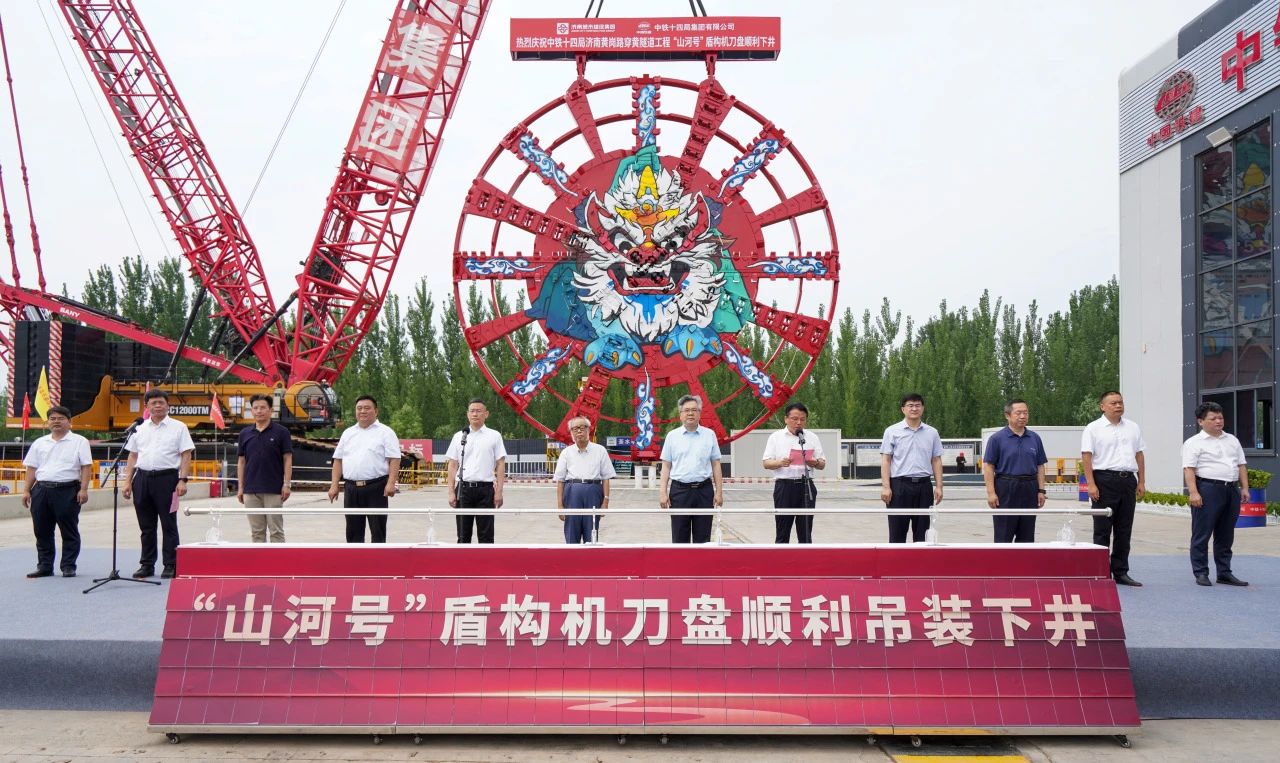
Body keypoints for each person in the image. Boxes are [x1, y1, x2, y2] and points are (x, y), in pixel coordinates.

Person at [123, 389, 195, 579]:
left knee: (168, 524)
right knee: (146, 526)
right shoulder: (139, 428)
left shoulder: (178, 427)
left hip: (167, 480)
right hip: (142, 479)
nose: (157, 406)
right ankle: (146, 564)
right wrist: (127, 481)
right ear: (146, 406)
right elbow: (133, 455)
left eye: (161, 402)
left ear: (167, 405)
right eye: (153, 403)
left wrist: (183, 480)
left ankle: (171, 564)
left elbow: (186, 454)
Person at [1081, 390, 1147, 586]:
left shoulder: (1133, 427)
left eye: (1120, 402)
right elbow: (1086, 457)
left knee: (1124, 529)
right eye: (1113, 403)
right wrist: (1091, 484)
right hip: (1104, 480)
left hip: (1127, 481)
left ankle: (1121, 572)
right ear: (1102, 406)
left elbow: (1139, 455)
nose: (1118, 405)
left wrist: (1141, 481)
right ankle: (1100, 571)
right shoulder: (1093, 428)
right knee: (1102, 529)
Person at [1181, 401, 1250, 587]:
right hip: (1208, 489)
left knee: (1226, 534)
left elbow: (1241, 465)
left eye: (1220, 417)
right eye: (1213, 418)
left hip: (1231, 489)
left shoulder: (1232, 440)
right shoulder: (1193, 443)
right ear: (1200, 421)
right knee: (1202, 533)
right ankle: (1201, 572)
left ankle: (1224, 572)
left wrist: (1244, 488)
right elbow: (1189, 469)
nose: (1218, 421)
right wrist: (1193, 492)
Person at [22, 405, 94, 578]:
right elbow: (31, 468)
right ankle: (45, 566)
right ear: (48, 422)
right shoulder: (40, 443)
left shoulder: (79, 441)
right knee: (42, 530)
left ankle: (68, 565)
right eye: (52, 419)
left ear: (69, 422)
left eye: (61, 419)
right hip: (41, 490)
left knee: (68, 529)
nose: (56, 422)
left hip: (67, 490)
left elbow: (86, 467)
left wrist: (84, 489)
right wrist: (26, 490)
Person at [327, 395, 401, 543]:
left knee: (378, 531)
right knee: (353, 533)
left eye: (367, 408)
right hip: (351, 488)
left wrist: (391, 483)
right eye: (359, 408)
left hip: (377, 488)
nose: (362, 411)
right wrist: (334, 485)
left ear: (376, 411)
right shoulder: (348, 433)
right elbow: (338, 460)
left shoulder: (386, 432)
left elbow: (395, 458)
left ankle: (377, 558)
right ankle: (356, 558)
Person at [879, 393, 943, 543]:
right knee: (897, 533)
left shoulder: (932, 433)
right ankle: (896, 558)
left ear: (923, 408)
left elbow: (936, 460)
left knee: (922, 534)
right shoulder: (892, 431)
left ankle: (920, 559)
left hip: (924, 487)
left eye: (918, 405)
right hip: (899, 487)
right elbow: (886, 460)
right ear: (903, 409)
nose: (914, 409)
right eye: (910, 405)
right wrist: (886, 487)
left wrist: (939, 486)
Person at [659, 394, 724, 543]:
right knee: (679, 537)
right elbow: (666, 466)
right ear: (680, 414)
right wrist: (662, 492)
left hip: (704, 491)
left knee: (703, 538)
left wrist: (719, 492)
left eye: (694, 410)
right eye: (686, 410)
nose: (690, 413)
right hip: (679, 492)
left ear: (699, 413)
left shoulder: (709, 435)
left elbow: (716, 464)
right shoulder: (672, 436)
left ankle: (701, 559)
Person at [983, 399, 1047, 543]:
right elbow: (989, 467)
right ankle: (1002, 558)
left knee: (1027, 533)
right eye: (1018, 413)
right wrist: (991, 493)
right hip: (1006, 487)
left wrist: (1041, 490)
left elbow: (1040, 465)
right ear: (1008, 415)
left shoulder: (1035, 438)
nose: (1023, 416)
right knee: (1004, 533)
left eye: (1026, 413)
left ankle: (1024, 558)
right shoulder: (997, 439)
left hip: (1030, 487)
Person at [762, 401, 827, 543]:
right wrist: (780, 463)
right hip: (785, 487)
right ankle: (782, 555)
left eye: (802, 419)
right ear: (786, 419)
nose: (799, 422)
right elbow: (766, 462)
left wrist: (815, 462)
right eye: (795, 419)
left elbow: (822, 464)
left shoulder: (812, 437)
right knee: (783, 530)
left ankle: (805, 555)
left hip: (806, 486)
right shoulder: (776, 437)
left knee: (805, 532)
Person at [446, 398, 507, 544]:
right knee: (463, 535)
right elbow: (453, 465)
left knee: (486, 536)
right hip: (463, 490)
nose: (475, 414)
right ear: (467, 414)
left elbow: (500, 464)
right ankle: (463, 559)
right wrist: (450, 492)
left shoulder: (494, 436)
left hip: (485, 490)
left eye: (479, 411)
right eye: (472, 411)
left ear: (486, 414)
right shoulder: (459, 436)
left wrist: (499, 492)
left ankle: (486, 559)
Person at [236, 394, 293, 543]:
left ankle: (278, 558)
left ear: (270, 410)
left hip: (274, 490)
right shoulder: (245, 434)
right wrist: (240, 487)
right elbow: (241, 461)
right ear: (251, 411)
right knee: (257, 532)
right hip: (251, 491)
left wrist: (287, 484)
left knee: (276, 531)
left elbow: (287, 459)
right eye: (255, 408)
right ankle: (259, 559)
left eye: (262, 407)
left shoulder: (282, 432)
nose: (259, 411)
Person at [554, 415, 616, 544]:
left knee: (591, 530)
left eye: (582, 427)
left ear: (589, 429)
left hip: (593, 493)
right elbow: (560, 480)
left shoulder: (600, 450)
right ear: (571, 432)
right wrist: (560, 506)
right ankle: (572, 555)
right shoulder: (566, 453)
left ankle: (591, 555)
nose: (579, 431)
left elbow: (606, 478)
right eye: (575, 428)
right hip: (572, 493)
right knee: (572, 531)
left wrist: (605, 502)